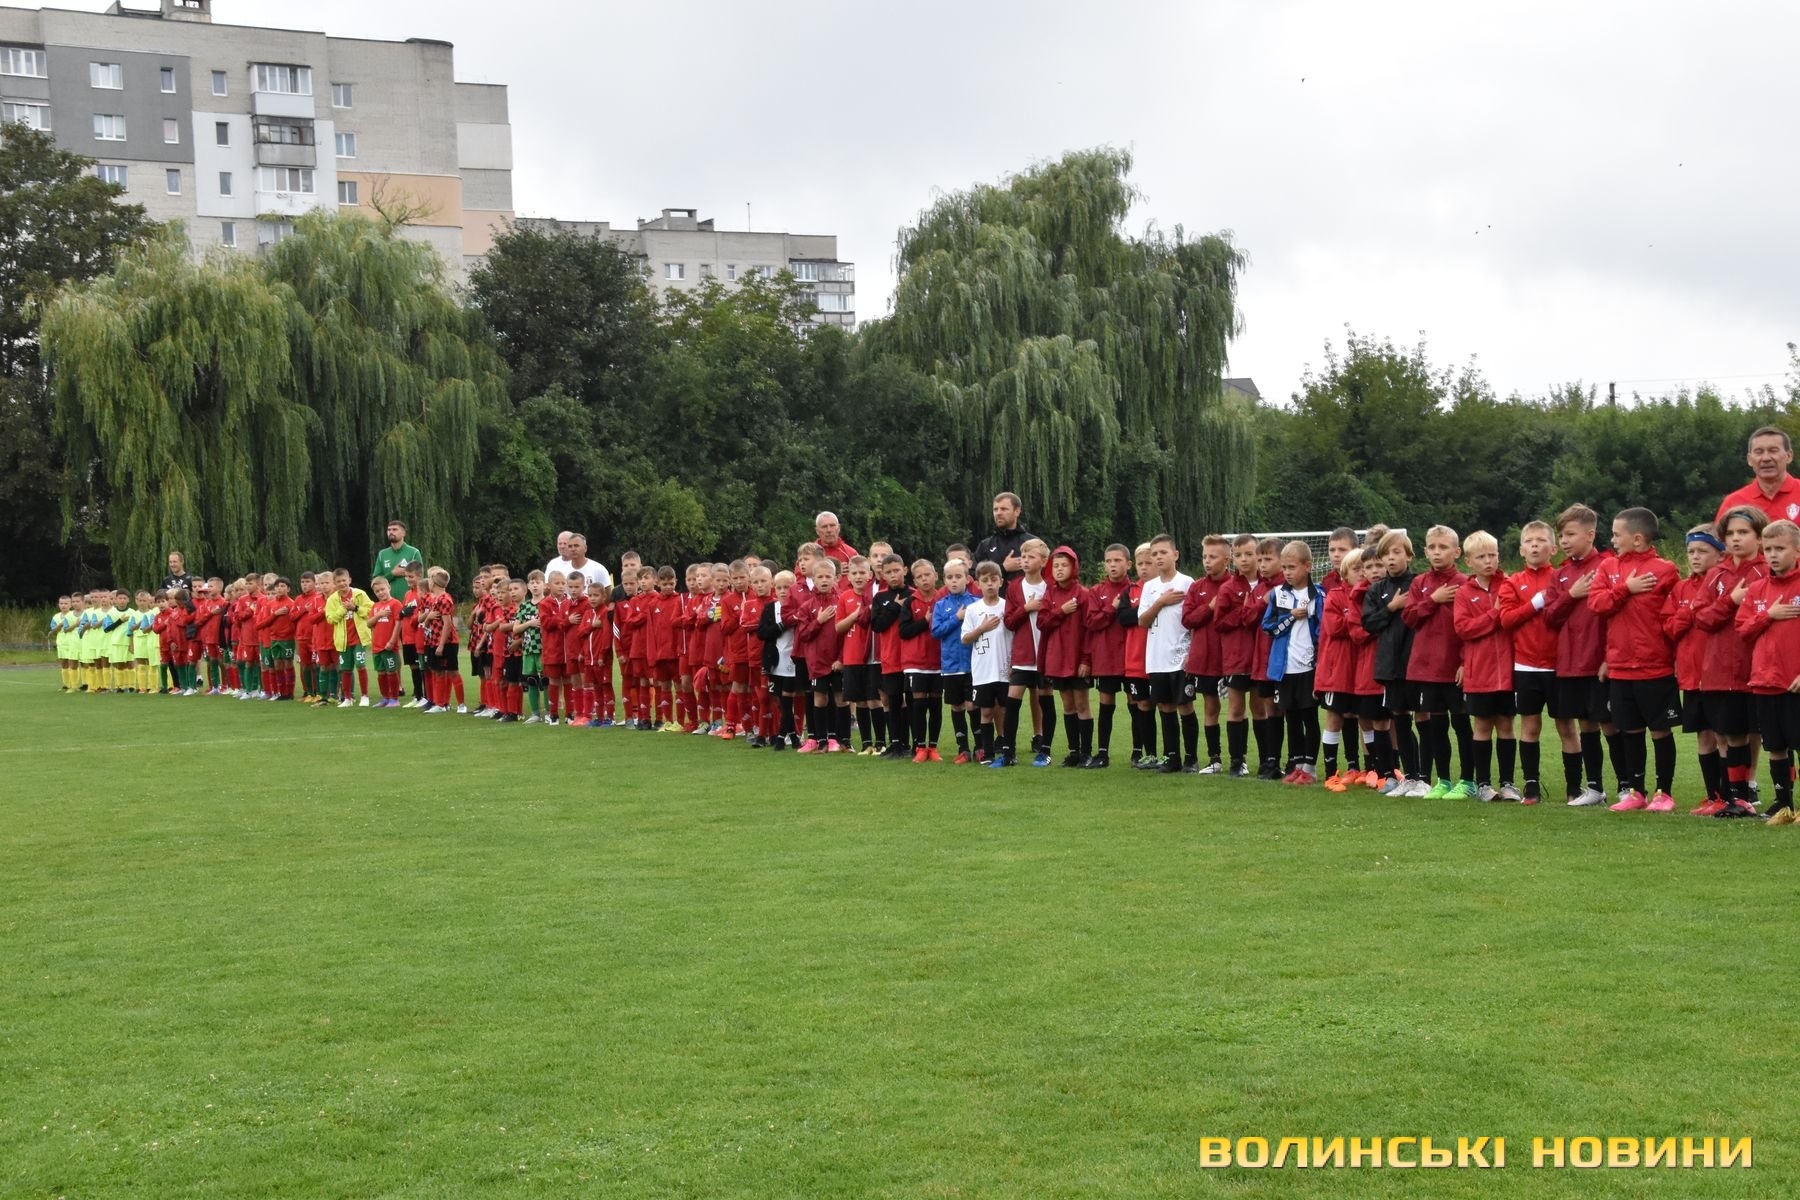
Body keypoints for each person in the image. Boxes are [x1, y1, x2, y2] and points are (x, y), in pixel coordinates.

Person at [1588, 507, 1681, 811]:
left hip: (1655, 667)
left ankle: (1664, 793)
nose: (1612, 540)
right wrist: (1625, 589)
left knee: (1660, 730)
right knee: (1629, 730)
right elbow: (1597, 604)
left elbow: (1674, 614)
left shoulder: (1665, 570)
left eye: (1617, 534)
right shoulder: (1608, 567)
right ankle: (1636, 793)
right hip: (1620, 667)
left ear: (1638, 538)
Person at [1693, 508, 1767, 817]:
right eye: (1731, 534)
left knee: (1774, 737)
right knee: (1733, 735)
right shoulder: (1716, 575)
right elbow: (1701, 617)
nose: (1736, 539)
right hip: (1721, 670)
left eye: (1743, 532)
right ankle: (1737, 798)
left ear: (1759, 538)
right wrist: (1730, 601)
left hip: (1759, 669)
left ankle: (1777, 797)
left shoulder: (1766, 572)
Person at [1543, 504, 1615, 807]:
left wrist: (1609, 657)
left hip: (1600, 662)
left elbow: (1615, 616)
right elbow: (1549, 617)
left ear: (1590, 534)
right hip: (1571, 663)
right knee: (1586, 724)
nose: (1564, 541)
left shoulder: (1608, 565)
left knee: (1610, 724)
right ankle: (1595, 787)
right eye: (1561, 535)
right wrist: (1571, 595)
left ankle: (1628, 786)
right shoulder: (1561, 574)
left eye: (1570, 534)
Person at [1735, 518, 1800, 821]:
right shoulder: (1758, 589)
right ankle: (1783, 804)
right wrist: (1769, 615)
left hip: (1794, 681)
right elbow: (1743, 629)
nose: (1773, 555)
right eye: (1769, 549)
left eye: (1780, 549)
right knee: (1776, 745)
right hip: (1765, 680)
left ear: (1797, 551)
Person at [1404, 525, 1472, 799]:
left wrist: (1465, 662)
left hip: (1454, 668)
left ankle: (1468, 781)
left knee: (1462, 726)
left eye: (1443, 547)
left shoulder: (1465, 583)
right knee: (1436, 727)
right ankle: (1443, 781)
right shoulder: (1419, 583)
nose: (1437, 552)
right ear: (1425, 551)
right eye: (1432, 547)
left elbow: (1468, 628)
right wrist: (1432, 600)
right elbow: (1409, 618)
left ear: (1456, 552)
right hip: (1427, 669)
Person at [1453, 532, 1521, 800]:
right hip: (1479, 672)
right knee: (1482, 726)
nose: (1488, 561)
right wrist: (1494, 613)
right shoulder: (1463, 593)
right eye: (1481, 556)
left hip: (1508, 672)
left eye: (1492, 555)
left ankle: (1508, 783)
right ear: (1469, 561)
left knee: (1506, 725)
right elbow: (1463, 629)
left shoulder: (1510, 585)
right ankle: (1483, 784)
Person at [1504, 522, 1559, 804]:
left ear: (1554, 548)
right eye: (1529, 541)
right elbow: (1506, 619)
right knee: (1530, 725)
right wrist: (1535, 604)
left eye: (1541, 540)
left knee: (1567, 726)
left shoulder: (1561, 578)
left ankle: (1576, 786)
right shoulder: (1512, 582)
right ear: (1522, 549)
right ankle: (1531, 785)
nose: (1535, 545)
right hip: (1525, 665)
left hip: (1558, 665)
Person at [1137, 533, 1199, 774]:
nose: (1158, 557)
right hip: (1157, 658)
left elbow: (1193, 621)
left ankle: (1191, 758)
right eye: (1155, 554)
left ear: (1175, 554)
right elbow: (1142, 621)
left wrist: (1191, 652)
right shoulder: (1150, 587)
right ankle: (1172, 757)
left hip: (1180, 656)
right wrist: (1161, 601)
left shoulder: (1187, 583)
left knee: (1185, 706)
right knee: (1165, 707)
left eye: (1163, 552)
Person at [1263, 541, 1323, 784]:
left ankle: (1310, 768)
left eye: (1292, 567)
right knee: (1292, 718)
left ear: (1307, 566)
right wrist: (1290, 617)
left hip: (1308, 668)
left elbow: (1322, 631)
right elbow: (1268, 627)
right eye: (1284, 567)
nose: (1287, 572)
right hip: (1285, 668)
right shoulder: (1278, 594)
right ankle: (1297, 766)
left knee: (1310, 717)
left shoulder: (1318, 596)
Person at [1180, 535, 1233, 773]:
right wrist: (1209, 608)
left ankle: (1239, 759)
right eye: (1204, 557)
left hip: (1232, 658)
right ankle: (1215, 759)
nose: (1207, 561)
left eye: (1213, 557)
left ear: (1226, 559)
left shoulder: (1236, 585)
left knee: (1238, 708)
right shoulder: (1197, 587)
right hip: (1206, 660)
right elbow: (1187, 619)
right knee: (1211, 708)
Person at [1037, 547, 1092, 766]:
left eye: (1064, 565)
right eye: (1056, 566)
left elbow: (1089, 629)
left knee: (1082, 705)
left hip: (1077, 658)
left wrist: (1086, 659)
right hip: (1057, 658)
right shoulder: (1049, 594)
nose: (1059, 569)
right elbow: (1042, 623)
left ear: (1074, 567)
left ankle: (1086, 753)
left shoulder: (1083, 594)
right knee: (1068, 705)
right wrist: (1061, 611)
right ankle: (1073, 752)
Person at [961, 561, 1013, 764]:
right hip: (983, 670)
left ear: (1001, 581)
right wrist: (982, 628)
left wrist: (1013, 663)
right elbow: (965, 638)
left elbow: (1015, 637)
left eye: (993, 579)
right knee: (986, 711)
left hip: (1004, 669)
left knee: (1006, 710)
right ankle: (988, 753)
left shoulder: (1007, 607)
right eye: (985, 580)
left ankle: (1008, 751)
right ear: (978, 584)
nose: (990, 584)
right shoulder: (973, 609)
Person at [932, 558, 977, 762]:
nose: (954, 581)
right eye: (950, 577)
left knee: (973, 706)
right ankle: (963, 749)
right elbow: (936, 631)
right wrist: (956, 618)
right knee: (957, 706)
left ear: (967, 579)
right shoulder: (941, 605)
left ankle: (980, 747)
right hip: (951, 666)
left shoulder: (976, 603)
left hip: (973, 665)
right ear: (944, 580)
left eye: (958, 576)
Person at [1716, 425, 1800, 526]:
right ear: (1749, 459)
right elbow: (1719, 536)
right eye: (1759, 452)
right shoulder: (1733, 503)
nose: (1766, 458)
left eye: (1773, 451)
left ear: (1789, 456)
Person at [974, 492, 1034, 582]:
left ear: (1017, 511)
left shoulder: (1032, 542)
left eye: (1003, 509)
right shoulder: (985, 545)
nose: (998, 513)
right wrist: (1003, 568)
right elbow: (975, 576)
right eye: (995, 509)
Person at [368, 576, 404, 707]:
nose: (380, 593)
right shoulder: (375, 606)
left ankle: (394, 699)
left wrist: (392, 641)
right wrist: (378, 615)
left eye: (382, 589)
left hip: (389, 646)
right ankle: (385, 697)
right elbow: (369, 624)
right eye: (377, 591)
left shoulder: (395, 604)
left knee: (391, 671)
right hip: (376, 646)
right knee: (381, 673)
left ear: (389, 587)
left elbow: (398, 623)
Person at [546, 533, 613, 593]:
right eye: (570, 546)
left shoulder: (598, 569)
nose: (573, 549)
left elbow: (607, 595)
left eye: (576, 546)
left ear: (585, 548)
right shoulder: (563, 572)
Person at [373, 521, 423, 600]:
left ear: (403, 533)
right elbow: (376, 581)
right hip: (388, 602)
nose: (391, 532)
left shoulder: (414, 552)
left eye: (394, 529)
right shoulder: (382, 554)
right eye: (389, 530)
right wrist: (393, 574)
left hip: (409, 601)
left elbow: (420, 578)